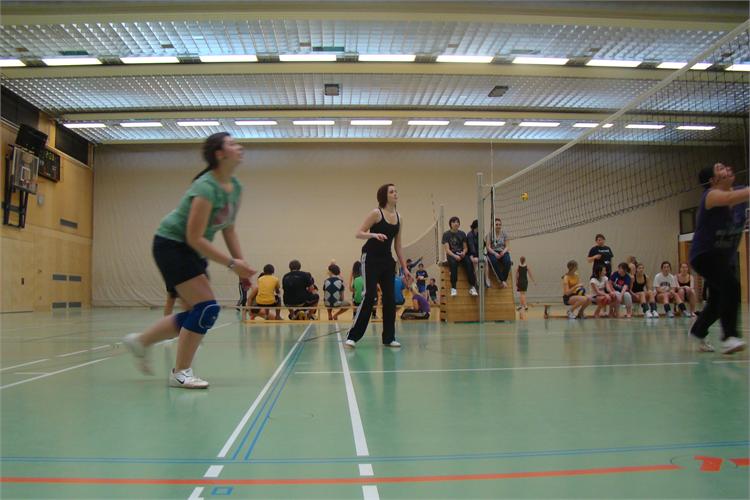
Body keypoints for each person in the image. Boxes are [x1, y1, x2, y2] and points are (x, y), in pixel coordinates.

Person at [123, 132, 255, 389]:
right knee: (207, 308)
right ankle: (180, 372)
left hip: (192, 250)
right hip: (172, 245)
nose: (239, 147)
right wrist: (231, 264)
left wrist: (242, 268)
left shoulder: (236, 187)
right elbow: (193, 237)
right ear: (219, 154)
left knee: (197, 312)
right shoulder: (206, 187)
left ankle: (141, 342)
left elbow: (228, 229)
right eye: (232, 144)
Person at [689, 162, 748, 354]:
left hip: (725, 257)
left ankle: (698, 331)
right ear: (713, 180)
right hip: (704, 255)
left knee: (717, 301)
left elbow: (737, 195)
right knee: (731, 286)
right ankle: (729, 337)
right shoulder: (711, 196)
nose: (727, 169)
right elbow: (730, 197)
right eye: (720, 168)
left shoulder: (740, 193)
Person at [345, 183, 413, 348]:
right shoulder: (376, 213)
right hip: (370, 258)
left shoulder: (399, 217)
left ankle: (389, 338)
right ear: (384, 196)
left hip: (387, 260)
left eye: (396, 191)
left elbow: (398, 245)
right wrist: (374, 235)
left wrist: (404, 268)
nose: (395, 193)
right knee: (369, 296)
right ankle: (353, 336)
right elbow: (358, 233)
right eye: (391, 191)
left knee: (390, 298)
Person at [442, 216, 478, 296]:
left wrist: (463, 253)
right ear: (450, 224)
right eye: (454, 222)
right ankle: (453, 288)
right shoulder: (446, 234)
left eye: (457, 222)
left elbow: (465, 248)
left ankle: (472, 287)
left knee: (469, 262)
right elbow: (447, 250)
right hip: (452, 254)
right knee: (453, 264)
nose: (456, 223)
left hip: (461, 253)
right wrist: (455, 256)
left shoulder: (462, 234)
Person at [485, 218, 512, 288]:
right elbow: (488, 247)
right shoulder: (489, 234)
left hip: (502, 251)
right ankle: (502, 281)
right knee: (494, 261)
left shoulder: (504, 234)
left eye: (499, 224)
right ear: (493, 226)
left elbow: (507, 246)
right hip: (492, 251)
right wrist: (495, 253)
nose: (498, 226)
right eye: (496, 224)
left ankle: (503, 280)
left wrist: (503, 252)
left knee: (508, 262)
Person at [467, 219, 489, 288]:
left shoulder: (479, 234)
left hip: (479, 253)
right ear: (476, 227)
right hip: (471, 254)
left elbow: (483, 245)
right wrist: (474, 256)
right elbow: (471, 247)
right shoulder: (470, 235)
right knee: (476, 262)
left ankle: (486, 279)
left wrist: (485, 239)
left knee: (486, 260)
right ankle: (478, 281)